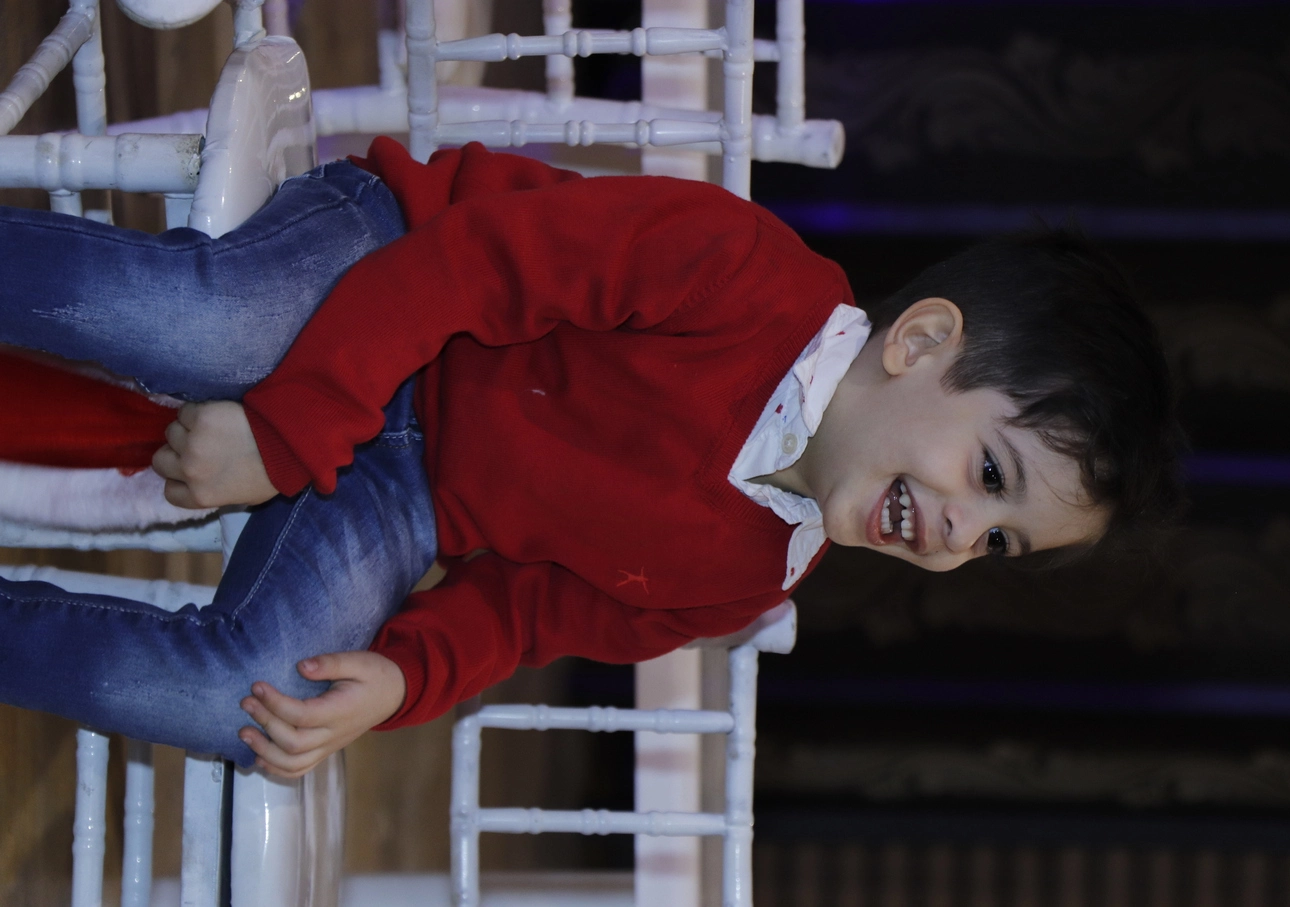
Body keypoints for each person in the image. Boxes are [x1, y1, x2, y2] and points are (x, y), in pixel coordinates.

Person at [0, 137, 1180, 777]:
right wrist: (289, 429)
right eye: (989, 477)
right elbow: (466, 270)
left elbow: (524, 611)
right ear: (920, 343)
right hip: (387, 262)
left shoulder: (747, 579)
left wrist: (407, 677)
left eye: (1001, 543)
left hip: (410, 494)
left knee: (251, 703)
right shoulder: (743, 275)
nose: (964, 536)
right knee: (204, 327)